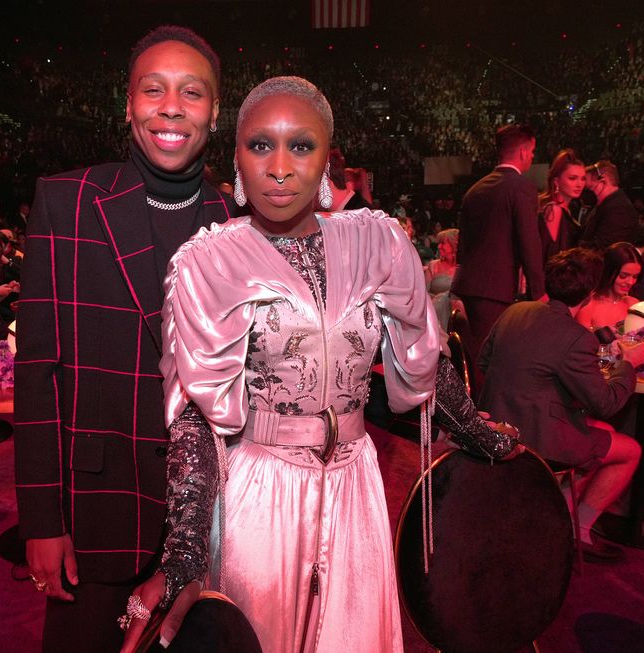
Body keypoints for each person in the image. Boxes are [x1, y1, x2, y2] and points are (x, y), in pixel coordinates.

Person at [122, 76, 514, 653]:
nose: (279, 167)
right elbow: (196, 416)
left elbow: (425, 360)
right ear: (235, 158)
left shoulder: (379, 242)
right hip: (260, 494)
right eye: (260, 146)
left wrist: (480, 434)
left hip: (357, 488)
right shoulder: (208, 261)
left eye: (300, 146)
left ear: (329, 160)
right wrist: (183, 551)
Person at [14, 26, 232, 653]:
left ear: (213, 112)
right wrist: (43, 519)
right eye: (153, 89)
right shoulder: (66, 201)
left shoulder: (238, 224)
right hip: (95, 512)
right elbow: (37, 371)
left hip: (210, 519)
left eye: (191, 92)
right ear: (128, 103)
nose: (171, 106)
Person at [479, 248, 642, 562]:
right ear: (589, 293)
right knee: (631, 451)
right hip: (536, 437)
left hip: (496, 423)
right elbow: (606, 403)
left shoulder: (516, 311)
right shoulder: (577, 338)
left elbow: (484, 362)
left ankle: (556, 514)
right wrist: (628, 365)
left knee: (603, 431)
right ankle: (575, 529)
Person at [452, 123, 545, 366]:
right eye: (532, 152)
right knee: (490, 356)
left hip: (469, 283)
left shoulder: (475, 189)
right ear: (524, 151)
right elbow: (529, 242)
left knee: (477, 353)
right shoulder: (521, 187)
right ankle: (480, 404)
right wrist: (539, 291)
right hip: (495, 287)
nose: (532, 157)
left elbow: (463, 244)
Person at [574, 242, 643, 330]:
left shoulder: (634, 304)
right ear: (608, 272)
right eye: (623, 276)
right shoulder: (588, 306)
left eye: (635, 276)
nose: (630, 282)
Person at [538, 148, 584, 268]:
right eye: (573, 178)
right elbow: (550, 254)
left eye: (583, 178)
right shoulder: (554, 209)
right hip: (554, 278)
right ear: (557, 181)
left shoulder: (566, 209)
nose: (579, 184)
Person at [579, 160, 638, 250]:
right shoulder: (606, 205)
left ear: (603, 181)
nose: (584, 192)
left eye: (589, 187)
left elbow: (601, 248)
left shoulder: (619, 209)